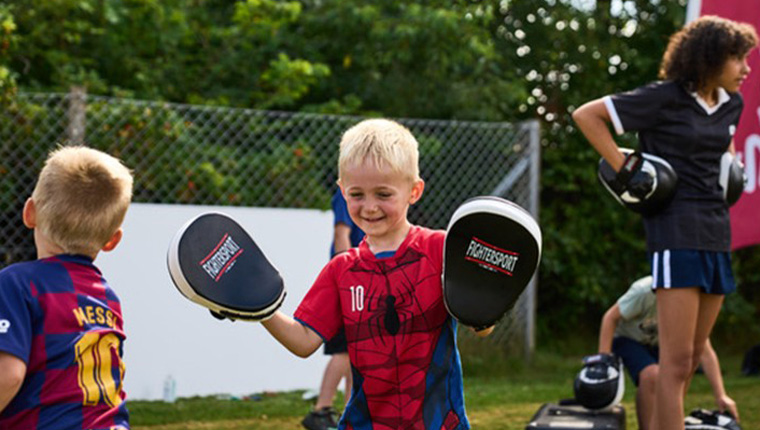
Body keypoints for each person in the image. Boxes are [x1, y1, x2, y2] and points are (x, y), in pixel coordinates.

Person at [573, 16, 758, 430]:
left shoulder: (732, 103)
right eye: (738, 58)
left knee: (690, 361)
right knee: (673, 364)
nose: (746, 68)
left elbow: (725, 148)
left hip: (717, 235)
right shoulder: (664, 98)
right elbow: (587, 116)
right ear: (710, 57)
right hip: (675, 235)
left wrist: (731, 167)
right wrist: (626, 169)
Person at [262, 118, 491, 430]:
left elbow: (482, 327)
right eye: (357, 194)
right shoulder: (341, 269)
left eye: (383, 194)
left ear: (414, 191)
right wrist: (261, 309)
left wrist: (486, 307)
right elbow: (304, 341)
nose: (369, 207)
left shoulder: (441, 249)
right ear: (342, 192)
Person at [0, 146, 134, 429]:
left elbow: (8, 375)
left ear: (29, 213)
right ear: (112, 240)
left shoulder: (16, 284)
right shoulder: (107, 297)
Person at [597, 276, 738, 430]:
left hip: (660, 342)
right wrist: (603, 362)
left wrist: (720, 394)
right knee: (652, 375)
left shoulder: (689, 299)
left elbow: (705, 350)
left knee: (676, 375)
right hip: (628, 338)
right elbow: (610, 318)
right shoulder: (643, 290)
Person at [301, 189, 365, 430]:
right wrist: (350, 275)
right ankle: (321, 409)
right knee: (343, 351)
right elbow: (341, 233)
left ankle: (350, 411)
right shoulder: (346, 194)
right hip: (349, 283)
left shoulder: (363, 193)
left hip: (360, 283)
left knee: (356, 352)